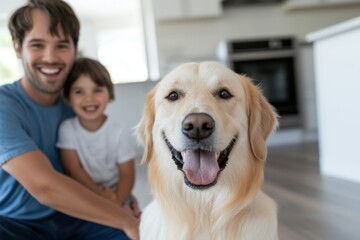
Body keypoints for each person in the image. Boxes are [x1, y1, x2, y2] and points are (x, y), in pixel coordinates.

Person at [0, 0, 139, 239]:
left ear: (75, 49)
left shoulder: (78, 102)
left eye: (62, 45)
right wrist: (123, 218)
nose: (51, 57)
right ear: (17, 48)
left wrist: (121, 199)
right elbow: (44, 186)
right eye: (37, 45)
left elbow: (96, 165)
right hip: (16, 225)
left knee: (145, 229)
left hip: (77, 219)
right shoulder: (5, 105)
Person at [56, 57, 139, 213]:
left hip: (116, 191)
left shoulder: (119, 130)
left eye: (97, 90)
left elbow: (127, 176)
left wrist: (115, 202)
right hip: (84, 191)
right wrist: (101, 199)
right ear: (68, 97)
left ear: (110, 95)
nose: (89, 98)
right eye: (79, 91)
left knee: (133, 219)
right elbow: (74, 170)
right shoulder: (67, 129)